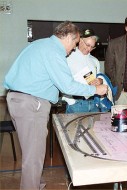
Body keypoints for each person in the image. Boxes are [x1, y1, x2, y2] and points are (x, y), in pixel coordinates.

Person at [3, 21, 108, 190]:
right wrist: (95, 89)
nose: (73, 48)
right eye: (75, 43)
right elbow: (67, 86)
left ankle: (35, 184)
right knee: (33, 156)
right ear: (68, 37)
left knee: (32, 152)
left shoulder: (40, 44)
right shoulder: (54, 51)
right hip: (31, 103)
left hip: (19, 100)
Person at [63, 28, 114, 113]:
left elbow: (98, 77)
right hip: (76, 103)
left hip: (94, 102)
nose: (89, 49)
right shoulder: (68, 58)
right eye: (87, 45)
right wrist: (71, 102)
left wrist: (100, 81)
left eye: (92, 47)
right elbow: (62, 82)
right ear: (80, 41)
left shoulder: (94, 61)